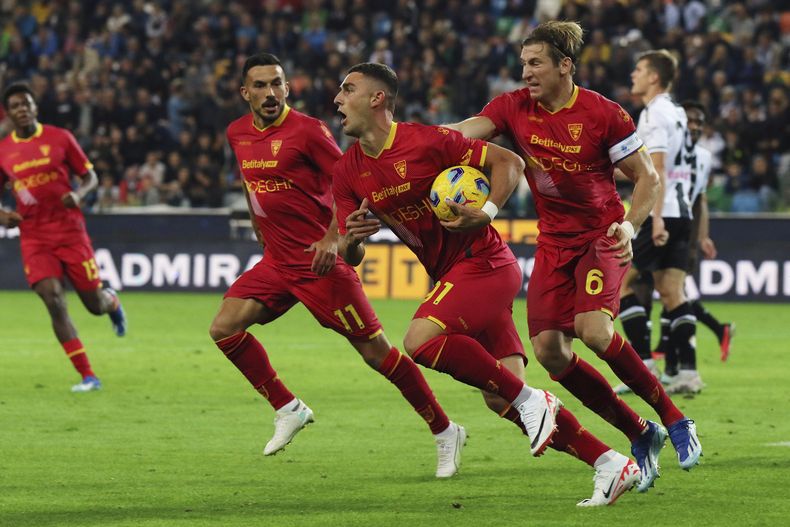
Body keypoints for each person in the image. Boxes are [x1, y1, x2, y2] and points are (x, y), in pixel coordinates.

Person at [333, 61, 641, 507]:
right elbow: (349, 255)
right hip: (452, 279)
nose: (337, 100)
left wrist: (489, 211)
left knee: (419, 341)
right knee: (501, 401)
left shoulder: (426, 140)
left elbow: (510, 162)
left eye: (347, 90)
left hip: (486, 263)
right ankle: (610, 464)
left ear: (377, 98)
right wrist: (354, 242)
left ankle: (535, 398)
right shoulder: (347, 171)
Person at [445, 22, 702, 493]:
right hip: (554, 243)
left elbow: (647, 178)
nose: (526, 73)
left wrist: (630, 224)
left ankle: (674, 416)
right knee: (549, 353)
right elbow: (459, 133)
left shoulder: (604, 114)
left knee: (594, 330)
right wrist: (406, 139)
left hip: (601, 235)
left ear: (565, 65)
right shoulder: (512, 107)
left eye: (536, 62)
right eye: (523, 63)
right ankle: (640, 432)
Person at [209, 53, 465, 478]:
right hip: (276, 260)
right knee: (223, 327)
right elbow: (248, 182)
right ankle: (288, 407)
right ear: (244, 93)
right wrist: (258, 226)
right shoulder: (237, 133)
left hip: (318, 262)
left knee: (377, 354)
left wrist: (334, 236)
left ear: (288, 87)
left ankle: (444, 429)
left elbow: (349, 180)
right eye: (259, 86)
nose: (270, 93)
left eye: (277, 83)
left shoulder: (308, 132)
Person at [0, 82, 127, 393]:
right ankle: (88, 376)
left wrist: (79, 193)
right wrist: (2, 214)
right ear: (9, 113)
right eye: (16, 105)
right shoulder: (3, 151)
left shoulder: (60, 138)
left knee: (93, 304)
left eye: (26, 104)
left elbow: (90, 176)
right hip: (34, 236)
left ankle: (111, 303)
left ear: (34, 108)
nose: (22, 109)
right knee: (53, 300)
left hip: (70, 232)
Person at [618, 51, 707, 395]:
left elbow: (654, 172)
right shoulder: (678, 113)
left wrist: (653, 220)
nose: (633, 75)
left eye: (639, 70)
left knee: (621, 284)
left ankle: (644, 366)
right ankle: (687, 373)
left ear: (654, 77)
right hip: (681, 210)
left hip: (662, 211)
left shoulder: (654, 113)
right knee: (672, 292)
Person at [630, 102, 735, 386]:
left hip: (669, 222)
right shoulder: (675, 149)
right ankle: (679, 368)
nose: (695, 127)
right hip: (671, 221)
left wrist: (701, 237)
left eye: (700, 122)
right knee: (665, 293)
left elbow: (697, 196)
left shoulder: (698, 157)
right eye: (690, 121)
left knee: (650, 290)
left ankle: (666, 366)